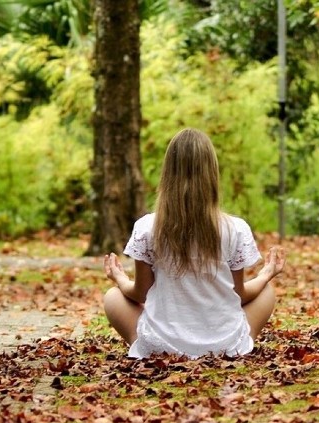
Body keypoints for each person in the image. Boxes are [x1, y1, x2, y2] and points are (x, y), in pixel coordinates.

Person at [103, 128, 286, 359]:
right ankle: (234, 346)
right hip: (223, 347)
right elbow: (239, 295)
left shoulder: (147, 227)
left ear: (168, 173)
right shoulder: (235, 229)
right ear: (211, 173)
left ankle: (153, 347)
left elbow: (140, 294)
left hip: (162, 347)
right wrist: (266, 274)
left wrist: (119, 278)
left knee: (112, 296)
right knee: (266, 292)